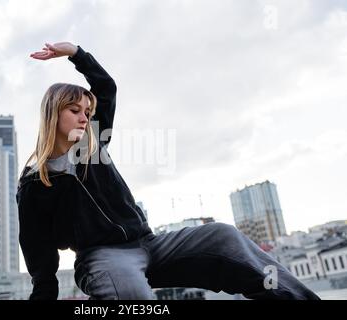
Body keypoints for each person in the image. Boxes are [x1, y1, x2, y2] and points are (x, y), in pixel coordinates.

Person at [16, 41, 320, 300]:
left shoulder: (92, 147)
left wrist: (75, 52)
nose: (84, 118)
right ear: (53, 113)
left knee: (224, 236)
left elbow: (106, 87)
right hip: (103, 258)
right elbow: (37, 249)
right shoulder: (35, 182)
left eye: (88, 112)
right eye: (75, 111)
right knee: (131, 294)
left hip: (151, 244)